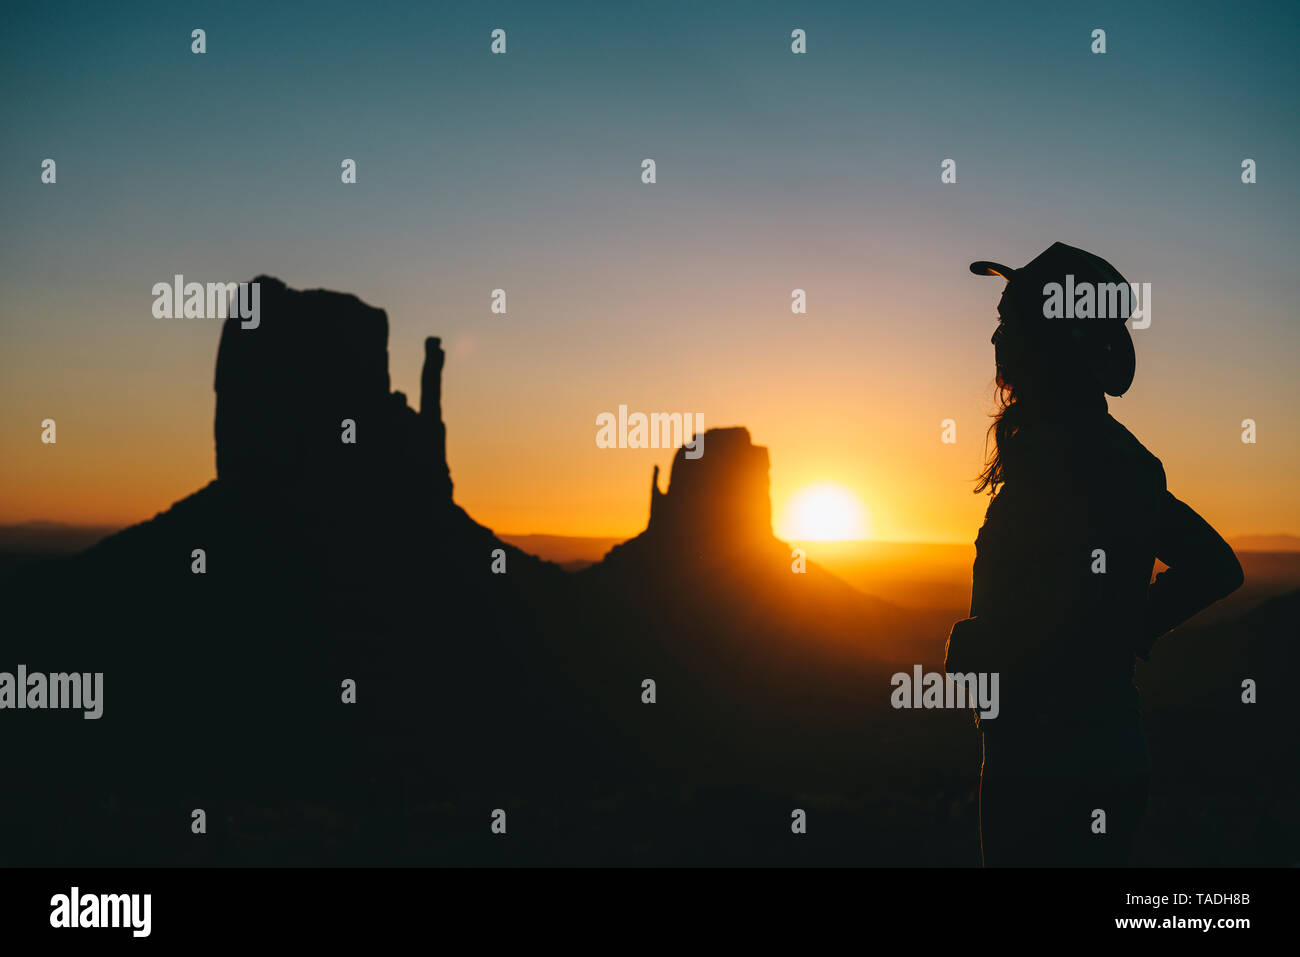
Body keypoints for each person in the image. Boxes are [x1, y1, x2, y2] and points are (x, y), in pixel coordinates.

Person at [945, 242, 1244, 866]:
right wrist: (1128, 627)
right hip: (1085, 752)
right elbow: (1213, 565)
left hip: (1051, 765)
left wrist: (998, 644)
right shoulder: (1102, 453)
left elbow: (1063, 607)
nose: (996, 338)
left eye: (1011, 320)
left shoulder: (1078, 456)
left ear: (1056, 341)